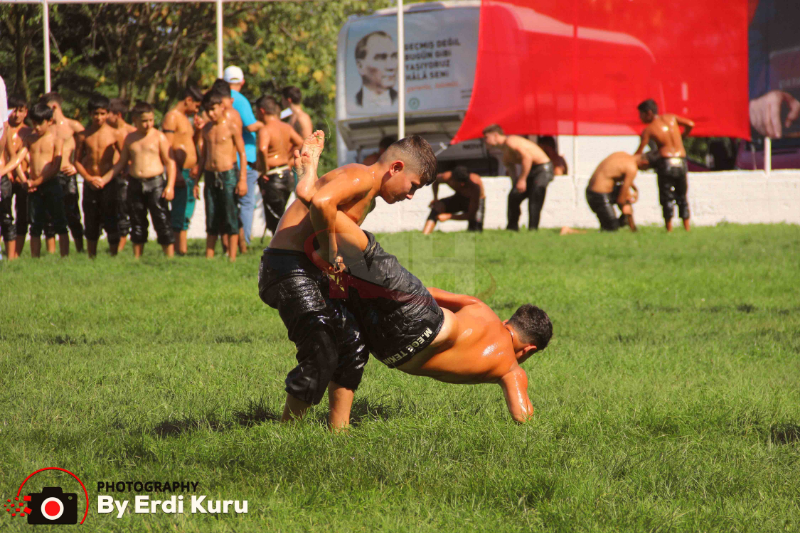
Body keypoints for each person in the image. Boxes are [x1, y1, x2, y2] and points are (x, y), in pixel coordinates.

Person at [259, 133, 437, 428]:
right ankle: (288, 430)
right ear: (395, 168)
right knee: (322, 346)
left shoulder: (369, 199)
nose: (410, 196)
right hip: (287, 267)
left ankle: (337, 432)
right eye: (413, 186)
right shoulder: (360, 177)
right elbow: (322, 203)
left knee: (353, 343)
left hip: (313, 268)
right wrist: (330, 250)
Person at [317, 217, 553, 425]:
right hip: (390, 352)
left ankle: (332, 217)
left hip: (420, 318)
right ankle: (338, 430)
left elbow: (428, 292)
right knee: (346, 312)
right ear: (529, 349)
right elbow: (523, 416)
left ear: (505, 322)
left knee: (365, 259)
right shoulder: (511, 370)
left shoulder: (481, 308)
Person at [101, 102, 176, 258]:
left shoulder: (159, 137)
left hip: (155, 184)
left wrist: (170, 186)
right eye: (144, 121)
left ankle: (169, 257)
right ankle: (137, 257)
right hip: (135, 183)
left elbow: (170, 163)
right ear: (135, 120)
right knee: (137, 221)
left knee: (162, 221)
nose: (148, 124)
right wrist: (104, 179)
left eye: (151, 120)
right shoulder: (130, 139)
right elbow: (121, 163)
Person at [0, 103, 69, 257]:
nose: (36, 127)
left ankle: (65, 257)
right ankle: (34, 258)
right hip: (33, 187)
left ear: (49, 121)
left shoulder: (56, 140)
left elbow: (55, 166)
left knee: (59, 222)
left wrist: (36, 182)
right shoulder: (29, 139)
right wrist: (10, 173)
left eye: (40, 124)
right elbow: (18, 158)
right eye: (34, 123)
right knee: (35, 224)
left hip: (51, 184)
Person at [195, 91, 247, 261]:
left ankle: (232, 257)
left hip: (229, 174)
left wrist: (243, 180)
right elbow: (203, 157)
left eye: (214, 109)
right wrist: (196, 180)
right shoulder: (207, 129)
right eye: (207, 110)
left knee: (230, 214)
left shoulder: (231, 127)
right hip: (210, 175)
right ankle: (209, 257)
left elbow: (242, 153)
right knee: (211, 215)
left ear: (222, 107)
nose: (211, 113)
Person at [634, 99, 695, 232]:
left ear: (648, 113)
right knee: (682, 196)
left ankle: (669, 228)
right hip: (681, 160)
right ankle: (687, 227)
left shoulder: (649, 130)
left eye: (641, 115)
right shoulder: (671, 117)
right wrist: (682, 137)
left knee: (666, 196)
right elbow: (691, 124)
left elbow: (639, 152)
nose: (640, 118)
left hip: (665, 162)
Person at [223, 66, 266, 253]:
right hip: (244, 160)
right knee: (247, 203)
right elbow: (250, 126)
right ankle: (244, 242)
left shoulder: (219, 99)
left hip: (226, 159)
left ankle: (228, 244)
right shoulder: (240, 99)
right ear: (242, 82)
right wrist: (265, 124)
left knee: (228, 203)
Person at [74, 95, 123, 257]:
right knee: (91, 220)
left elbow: (123, 160)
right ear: (89, 114)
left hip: (109, 182)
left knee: (111, 219)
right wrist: (88, 178)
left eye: (103, 113)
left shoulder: (115, 134)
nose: (99, 117)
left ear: (108, 113)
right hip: (90, 183)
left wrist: (107, 177)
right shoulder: (83, 135)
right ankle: (91, 256)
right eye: (96, 114)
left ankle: (114, 255)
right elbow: (77, 161)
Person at [482, 124, 554, 231]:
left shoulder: (511, 141)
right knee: (513, 196)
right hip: (532, 170)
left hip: (543, 168)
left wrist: (522, 179)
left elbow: (527, 157)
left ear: (496, 135)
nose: (485, 141)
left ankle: (533, 230)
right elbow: (511, 170)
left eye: (486, 137)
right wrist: (515, 185)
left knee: (535, 195)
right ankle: (512, 227)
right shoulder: (505, 152)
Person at [41, 92, 84, 253]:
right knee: (49, 216)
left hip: (68, 174)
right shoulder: (46, 128)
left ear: (54, 107)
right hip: (50, 174)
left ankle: (80, 249)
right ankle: (51, 252)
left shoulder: (73, 126)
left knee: (72, 213)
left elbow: (89, 149)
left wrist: (75, 165)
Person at [254, 95, 304, 236]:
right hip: (286, 174)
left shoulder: (266, 129)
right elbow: (300, 142)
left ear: (262, 111)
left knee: (275, 220)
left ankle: (280, 248)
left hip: (272, 176)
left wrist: (263, 171)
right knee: (281, 214)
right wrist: (287, 160)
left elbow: (263, 149)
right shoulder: (286, 127)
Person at [162, 85, 203, 255]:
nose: (197, 110)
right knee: (179, 212)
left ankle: (182, 250)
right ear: (188, 100)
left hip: (189, 173)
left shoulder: (186, 118)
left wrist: (199, 132)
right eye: (197, 105)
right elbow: (167, 147)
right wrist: (175, 172)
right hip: (179, 172)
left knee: (186, 212)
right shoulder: (172, 117)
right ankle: (177, 251)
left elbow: (190, 143)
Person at [585, 152, 648, 232]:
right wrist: (625, 209)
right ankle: (569, 230)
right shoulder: (632, 168)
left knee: (626, 195)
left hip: (596, 191)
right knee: (611, 229)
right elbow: (620, 200)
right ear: (645, 163)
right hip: (598, 195)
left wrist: (634, 191)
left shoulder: (623, 155)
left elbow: (619, 176)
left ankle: (633, 229)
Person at [0, 95, 30, 259]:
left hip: (18, 178)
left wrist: (24, 179)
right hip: (7, 178)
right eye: (14, 111)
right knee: (4, 216)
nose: (16, 115)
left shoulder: (28, 132)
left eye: (21, 111)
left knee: (19, 216)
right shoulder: (5, 129)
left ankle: (15, 255)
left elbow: (17, 159)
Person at [107, 98, 137, 252]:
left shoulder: (131, 132)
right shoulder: (106, 131)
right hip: (109, 176)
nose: (105, 117)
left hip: (125, 178)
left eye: (108, 113)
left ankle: (121, 246)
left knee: (124, 210)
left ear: (118, 115)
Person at [423, 166, 485, 234]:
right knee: (438, 206)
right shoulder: (446, 177)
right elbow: (436, 181)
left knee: (475, 231)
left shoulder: (475, 186)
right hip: (459, 197)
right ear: (453, 179)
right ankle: (425, 235)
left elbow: (471, 215)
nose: (462, 184)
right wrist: (435, 199)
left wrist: (449, 216)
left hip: (475, 200)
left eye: (465, 183)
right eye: (460, 182)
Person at [354, 31, 398, 108]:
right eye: (381, 58)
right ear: (360, 66)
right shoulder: (350, 102)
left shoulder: (404, 100)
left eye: (394, 56)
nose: (391, 66)